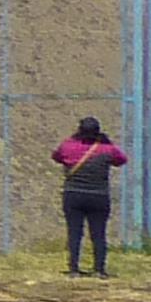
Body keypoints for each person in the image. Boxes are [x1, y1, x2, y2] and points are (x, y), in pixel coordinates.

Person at [53, 117, 125, 275]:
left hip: (73, 194)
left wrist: (73, 139)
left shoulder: (68, 146)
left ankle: (73, 269)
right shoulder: (106, 149)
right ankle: (99, 269)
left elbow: (57, 157)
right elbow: (121, 160)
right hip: (99, 196)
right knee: (99, 233)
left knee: (74, 232)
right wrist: (107, 142)